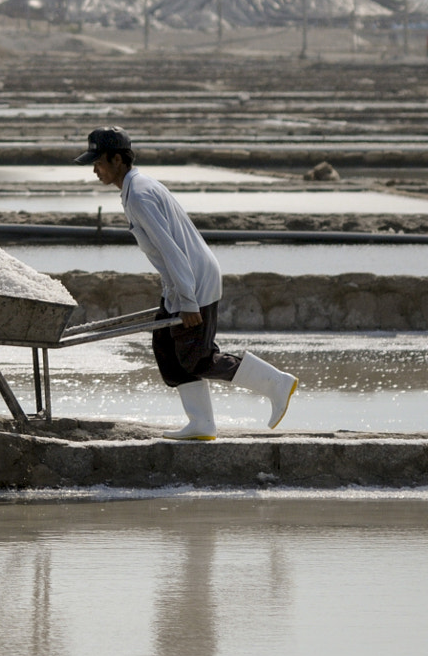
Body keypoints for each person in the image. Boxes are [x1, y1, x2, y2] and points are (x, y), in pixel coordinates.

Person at [79, 126, 297, 439]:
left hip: (194, 282)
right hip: (184, 281)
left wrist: (188, 300)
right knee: (167, 349)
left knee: (198, 358)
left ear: (117, 159)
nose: (94, 169)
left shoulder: (139, 194)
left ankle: (276, 383)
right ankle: (202, 424)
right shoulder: (135, 187)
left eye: (98, 161)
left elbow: (171, 250)